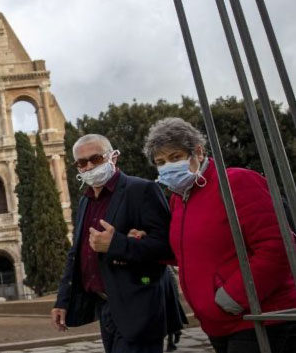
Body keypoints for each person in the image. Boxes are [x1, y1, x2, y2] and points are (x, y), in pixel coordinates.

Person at [142, 117, 296, 353]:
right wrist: (143, 242)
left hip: (260, 318)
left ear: (199, 152)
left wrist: (233, 297)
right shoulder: (179, 199)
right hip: (218, 325)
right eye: (160, 162)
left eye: (175, 158)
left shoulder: (236, 182)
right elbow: (189, 252)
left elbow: (278, 247)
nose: (168, 167)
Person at [52, 134, 178, 353]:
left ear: (113, 158)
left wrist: (117, 243)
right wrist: (63, 300)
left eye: (96, 159)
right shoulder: (85, 200)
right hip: (106, 306)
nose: (89, 166)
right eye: (82, 163)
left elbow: (169, 247)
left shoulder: (142, 190)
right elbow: (76, 253)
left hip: (140, 305)